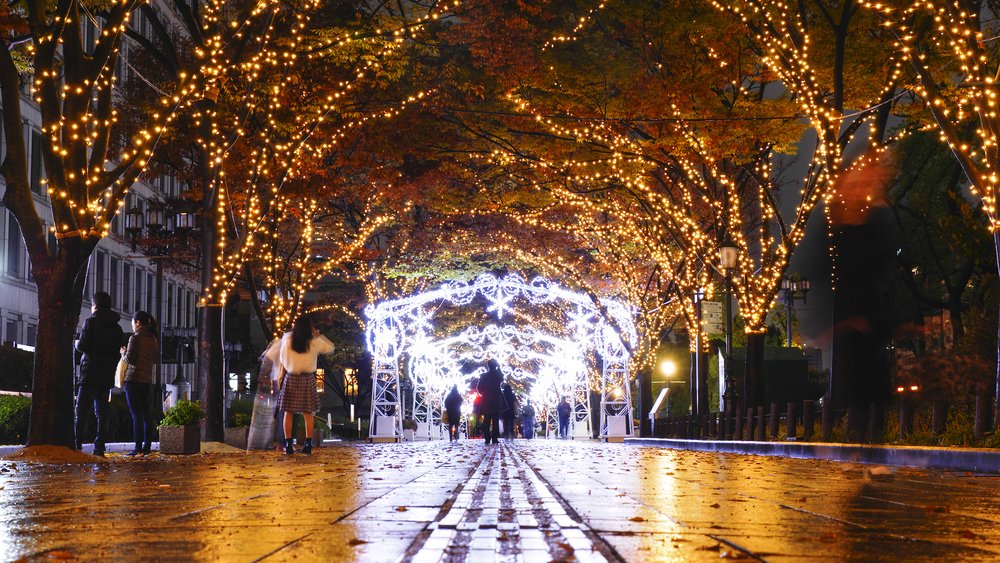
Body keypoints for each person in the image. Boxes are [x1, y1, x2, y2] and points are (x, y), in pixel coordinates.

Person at [266, 313, 335, 455]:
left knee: (288, 412)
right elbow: (330, 348)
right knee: (308, 412)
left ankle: (289, 444)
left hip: (291, 377)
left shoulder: (287, 339)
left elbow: (283, 359)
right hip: (307, 378)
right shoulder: (314, 341)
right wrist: (318, 335)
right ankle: (308, 444)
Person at [74, 291, 124, 457]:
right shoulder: (117, 328)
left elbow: (81, 346)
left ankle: (77, 445)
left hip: (89, 373)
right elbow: (119, 352)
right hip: (106, 375)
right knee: (102, 413)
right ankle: (99, 447)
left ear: (95, 305)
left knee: (82, 411)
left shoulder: (91, 323)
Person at [122, 311, 158, 456]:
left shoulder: (135, 338)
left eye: (133, 322)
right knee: (146, 414)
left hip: (133, 379)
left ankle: (137, 448)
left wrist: (122, 353)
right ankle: (146, 447)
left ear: (137, 323)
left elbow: (130, 359)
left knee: (136, 414)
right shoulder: (153, 339)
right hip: (146, 380)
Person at [477, 358, 506, 445]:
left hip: (486, 400)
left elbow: (479, 388)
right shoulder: (497, 374)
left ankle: (487, 438)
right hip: (496, 399)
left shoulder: (484, 376)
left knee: (486, 420)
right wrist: (499, 367)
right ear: (495, 365)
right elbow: (502, 378)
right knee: (495, 420)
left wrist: (484, 393)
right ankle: (494, 438)